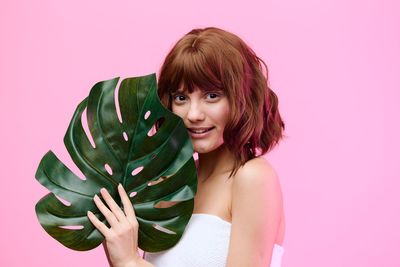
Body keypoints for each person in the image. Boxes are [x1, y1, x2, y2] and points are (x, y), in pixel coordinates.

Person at [87, 26, 286, 267]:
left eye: (212, 95)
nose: (193, 114)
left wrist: (131, 261)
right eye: (181, 97)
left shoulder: (252, 178)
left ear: (242, 98)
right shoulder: (168, 184)